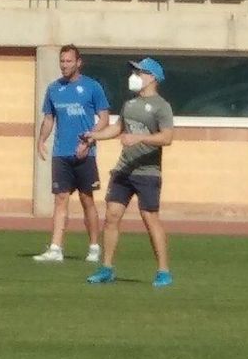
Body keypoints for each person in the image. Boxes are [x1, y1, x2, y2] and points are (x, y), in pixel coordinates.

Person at [84, 58, 176, 288]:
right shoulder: (130, 104)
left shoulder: (161, 106)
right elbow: (117, 128)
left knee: (149, 218)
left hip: (148, 172)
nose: (134, 76)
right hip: (124, 169)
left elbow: (167, 137)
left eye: (139, 72)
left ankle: (163, 271)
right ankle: (106, 268)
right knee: (112, 216)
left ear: (152, 77)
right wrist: (94, 135)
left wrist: (139, 138)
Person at [33, 44, 110, 263]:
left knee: (87, 200)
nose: (64, 65)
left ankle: (94, 246)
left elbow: (104, 118)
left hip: (85, 154)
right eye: (62, 61)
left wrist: (89, 138)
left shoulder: (92, 87)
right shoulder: (53, 89)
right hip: (61, 153)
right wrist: (41, 140)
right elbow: (49, 119)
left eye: (68, 61)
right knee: (60, 198)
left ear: (78, 62)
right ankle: (56, 248)